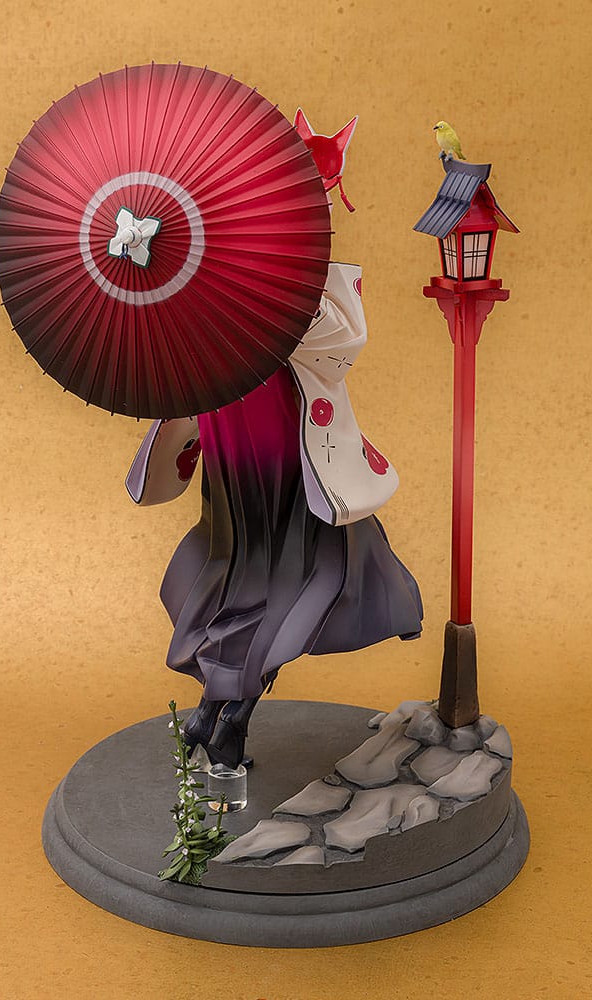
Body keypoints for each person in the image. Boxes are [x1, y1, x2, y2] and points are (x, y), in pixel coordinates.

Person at [126, 110, 423, 768]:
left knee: (269, 566)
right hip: (249, 427)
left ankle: (219, 709)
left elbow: (339, 340)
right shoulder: (239, 254)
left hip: (264, 425)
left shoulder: (274, 261)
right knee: (273, 567)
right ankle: (226, 714)